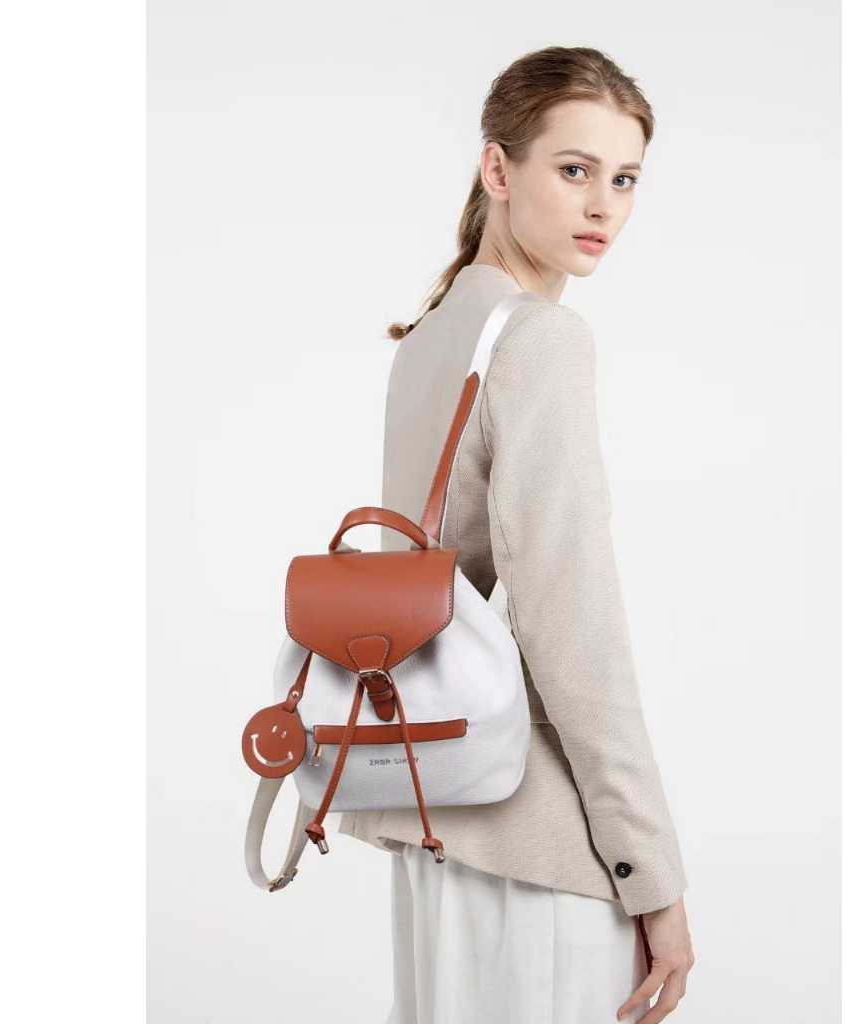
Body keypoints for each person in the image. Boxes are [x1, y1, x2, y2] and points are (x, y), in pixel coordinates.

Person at [338, 45, 695, 1023]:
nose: (602, 206)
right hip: (531, 839)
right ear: (498, 169)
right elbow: (570, 623)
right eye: (573, 169)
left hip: (433, 810)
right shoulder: (539, 338)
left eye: (624, 179)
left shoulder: (432, 337)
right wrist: (650, 867)